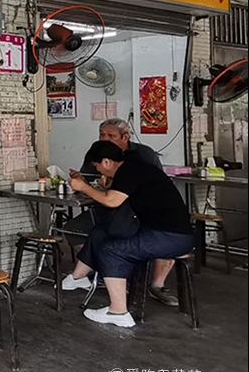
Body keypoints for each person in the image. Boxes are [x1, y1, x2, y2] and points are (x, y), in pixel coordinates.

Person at [60, 141, 194, 328]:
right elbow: (117, 194)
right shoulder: (132, 167)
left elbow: (112, 201)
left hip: (171, 237)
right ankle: (78, 278)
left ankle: (118, 311)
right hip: (161, 231)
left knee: (111, 250)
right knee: (101, 231)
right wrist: (95, 185)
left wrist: (84, 187)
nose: (99, 172)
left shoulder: (130, 171)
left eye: (98, 167)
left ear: (106, 162)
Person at [65, 118, 177, 306]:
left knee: (122, 235)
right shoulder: (97, 151)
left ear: (125, 137)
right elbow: (93, 179)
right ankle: (100, 272)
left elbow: (151, 184)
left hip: (140, 210)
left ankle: (156, 285)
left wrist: (105, 187)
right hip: (112, 208)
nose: (105, 139)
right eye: (102, 135)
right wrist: (84, 180)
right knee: (75, 229)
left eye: (111, 136)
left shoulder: (143, 155)